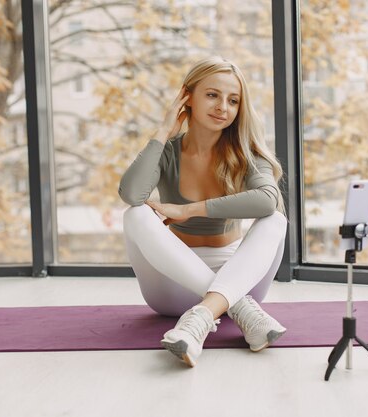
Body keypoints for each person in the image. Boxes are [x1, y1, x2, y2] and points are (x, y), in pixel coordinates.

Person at [119, 56, 288, 367]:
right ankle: (240, 311)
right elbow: (131, 193)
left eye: (233, 100)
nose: (222, 106)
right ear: (188, 97)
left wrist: (188, 210)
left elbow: (266, 199)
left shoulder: (247, 154)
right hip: (172, 287)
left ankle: (201, 317)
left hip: (238, 277)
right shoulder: (168, 152)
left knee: (275, 219)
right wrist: (163, 130)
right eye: (212, 95)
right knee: (135, 214)